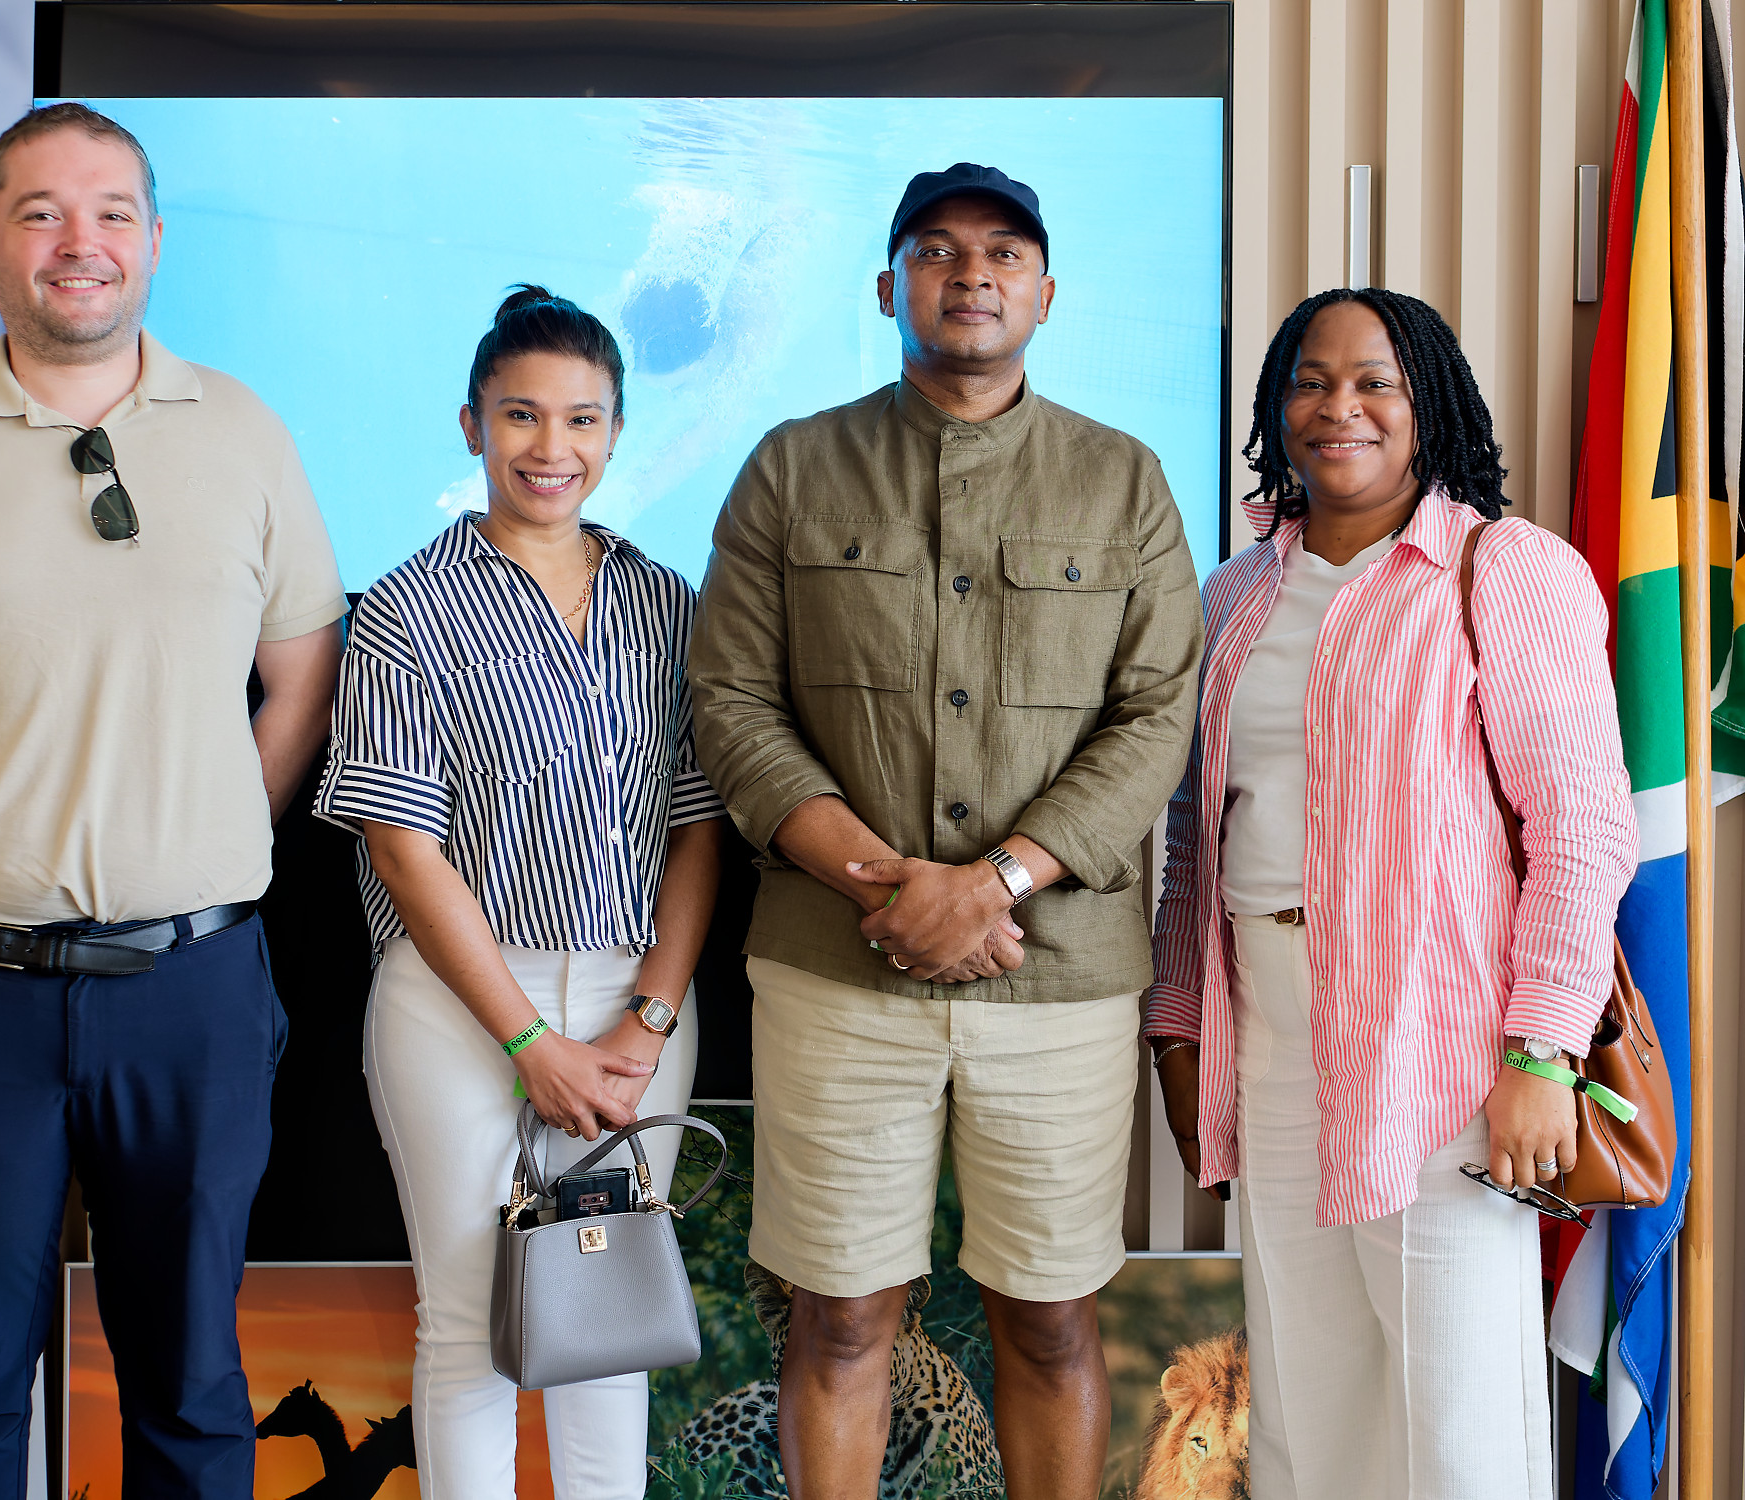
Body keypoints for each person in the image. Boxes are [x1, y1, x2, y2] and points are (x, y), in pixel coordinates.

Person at [0, 103, 347, 1499]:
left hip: (193, 993)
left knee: (191, 1388)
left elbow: (304, 677)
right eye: (38, 213)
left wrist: (209, 837)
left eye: (108, 213)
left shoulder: (245, 431)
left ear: (154, 241)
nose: (76, 242)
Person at [687, 163, 1203, 1499]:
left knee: (1050, 1316)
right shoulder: (792, 465)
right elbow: (730, 701)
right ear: (887, 287)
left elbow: (1156, 714)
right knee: (839, 1315)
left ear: (1045, 293)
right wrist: (894, 887)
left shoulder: (1125, 479)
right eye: (934, 248)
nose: (969, 272)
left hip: (1060, 979)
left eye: (1001, 252)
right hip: (834, 968)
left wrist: (994, 882)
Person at [1145, 287, 1639, 1500]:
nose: (1340, 407)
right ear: (1276, 407)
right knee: (1306, 1417)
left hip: (1445, 1058)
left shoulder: (1500, 569)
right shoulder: (1232, 597)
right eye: (1310, 381)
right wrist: (1178, 1029)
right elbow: (1193, 840)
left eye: (1376, 382)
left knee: (1457, 1427)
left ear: (1428, 405)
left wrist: (1541, 1056)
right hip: (1267, 1045)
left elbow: (1580, 833)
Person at [316, 286, 725, 1500]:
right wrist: (526, 1041)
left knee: (609, 1321)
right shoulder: (407, 607)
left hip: (635, 1006)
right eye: (521, 416)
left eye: (582, 419)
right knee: (465, 1326)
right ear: (472, 425)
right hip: (460, 1005)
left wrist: (647, 1018)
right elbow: (402, 847)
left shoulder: (665, 600)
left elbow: (696, 826)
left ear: (616, 432)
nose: (552, 448)